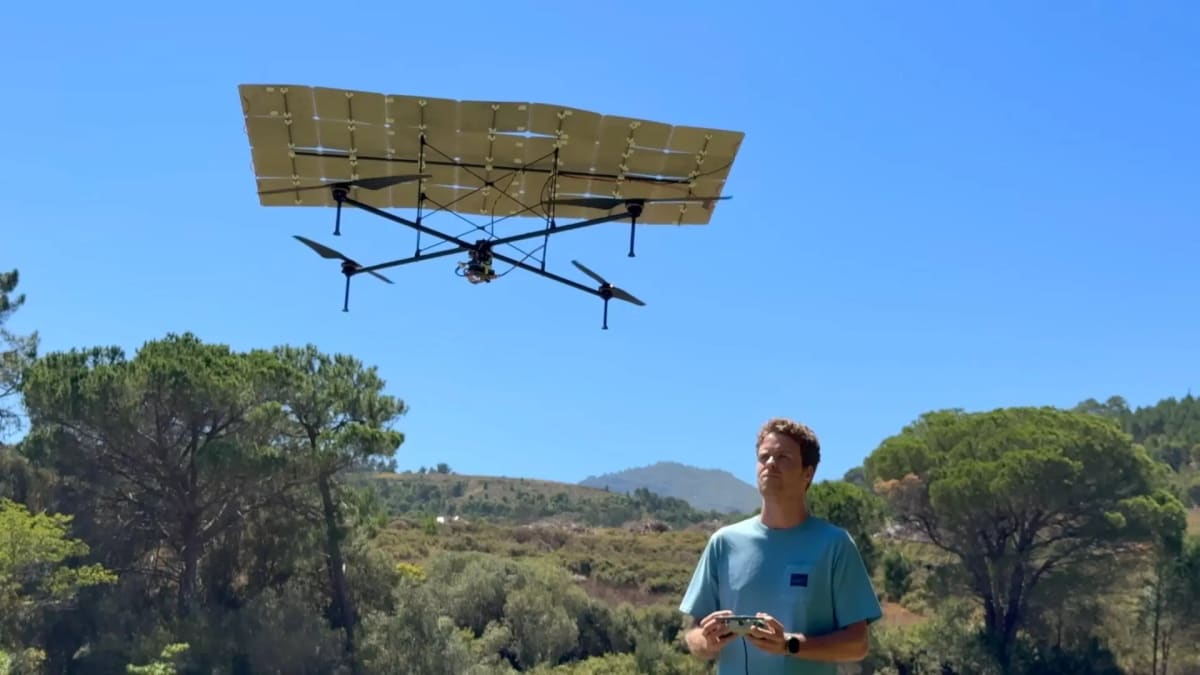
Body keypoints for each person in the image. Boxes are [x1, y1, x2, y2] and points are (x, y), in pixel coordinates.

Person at [678, 417, 882, 674]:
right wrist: (706, 641)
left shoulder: (835, 545)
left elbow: (857, 645)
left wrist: (789, 644)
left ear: (807, 473)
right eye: (764, 457)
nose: (770, 464)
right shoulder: (723, 543)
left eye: (783, 457)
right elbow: (692, 635)